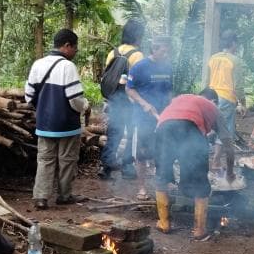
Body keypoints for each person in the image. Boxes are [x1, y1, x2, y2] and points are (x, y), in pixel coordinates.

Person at [154, 89, 236, 241]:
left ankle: (164, 223)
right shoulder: (215, 109)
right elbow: (228, 146)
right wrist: (230, 172)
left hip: (162, 129)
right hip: (189, 128)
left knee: (161, 175)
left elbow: (168, 120)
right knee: (199, 181)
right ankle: (199, 230)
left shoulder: (180, 99)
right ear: (214, 101)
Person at [25, 28, 90, 210]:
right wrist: (84, 106)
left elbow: (29, 95)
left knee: (45, 159)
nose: (76, 52)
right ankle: (64, 195)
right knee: (67, 159)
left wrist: (43, 108)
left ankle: (41, 197)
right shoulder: (67, 66)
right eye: (75, 48)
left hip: (45, 123)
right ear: (67, 46)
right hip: (67, 124)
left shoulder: (38, 64)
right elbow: (75, 98)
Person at [126, 36, 173, 201]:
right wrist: (143, 103)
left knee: (162, 151)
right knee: (142, 154)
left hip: (162, 117)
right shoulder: (140, 67)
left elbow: (169, 92)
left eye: (167, 51)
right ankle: (141, 188)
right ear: (154, 49)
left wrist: (170, 109)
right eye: (163, 51)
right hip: (143, 118)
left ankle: (162, 185)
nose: (166, 54)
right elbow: (129, 89)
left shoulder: (167, 67)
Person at [98, 19, 145, 180]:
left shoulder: (114, 52)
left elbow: (109, 76)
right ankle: (127, 166)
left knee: (114, 133)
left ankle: (105, 167)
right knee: (132, 134)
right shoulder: (138, 55)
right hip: (129, 101)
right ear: (138, 35)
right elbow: (139, 81)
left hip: (113, 99)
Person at [207, 30, 246, 169]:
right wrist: (243, 102)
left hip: (210, 97)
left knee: (209, 127)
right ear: (233, 43)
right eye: (237, 44)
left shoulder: (213, 58)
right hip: (226, 98)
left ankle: (198, 155)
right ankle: (216, 160)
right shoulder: (235, 60)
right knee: (224, 130)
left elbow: (207, 79)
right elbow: (239, 86)